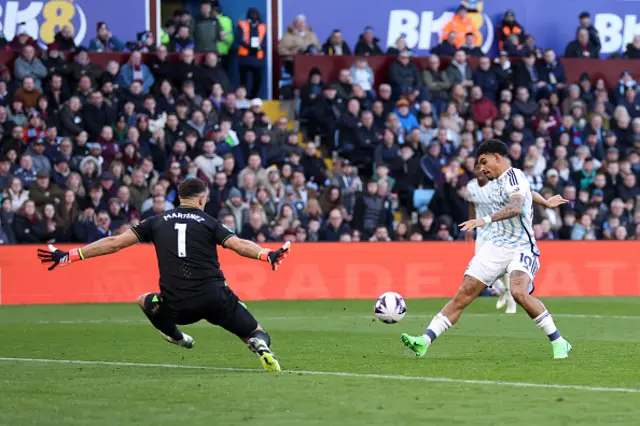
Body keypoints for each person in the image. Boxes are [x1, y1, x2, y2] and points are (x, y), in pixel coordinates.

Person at [37, 178, 291, 372]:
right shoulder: (209, 222)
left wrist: (71, 255)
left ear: (179, 197)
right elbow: (238, 244)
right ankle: (259, 344)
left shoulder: (156, 221)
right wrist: (266, 254)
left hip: (179, 304)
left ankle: (178, 337)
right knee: (257, 331)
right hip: (216, 298)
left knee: (145, 300)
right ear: (202, 199)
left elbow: (114, 242)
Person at [401, 140, 572, 360]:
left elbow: (516, 206)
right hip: (496, 246)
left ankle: (559, 342)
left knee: (518, 292)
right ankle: (423, 341)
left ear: (497, 157)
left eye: (484, 162)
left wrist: (484, 220)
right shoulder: (498, 182)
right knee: (463, 295)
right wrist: (546, 202)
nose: (481, 168)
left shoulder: (513, 175)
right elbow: (527, 192)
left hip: (521, 248)